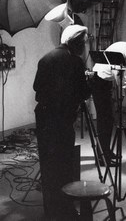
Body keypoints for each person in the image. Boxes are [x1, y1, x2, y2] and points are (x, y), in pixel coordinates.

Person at [33, 25, 91, 220]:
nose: (84, 46)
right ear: (77, 43)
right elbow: (84, 93)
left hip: (44, 118)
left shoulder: (46, 58)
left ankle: (50, 207)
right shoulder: (76, 62)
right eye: (83, 42)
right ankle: (66, 208)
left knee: (48, 161)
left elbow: (36, 88)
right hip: (63, 120)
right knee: (65, 162)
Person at [91, 41, 126, 165]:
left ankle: (106, 152)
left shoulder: (125, 45)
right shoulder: (118, 64)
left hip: (101, 79)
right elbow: (122, 83)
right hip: (99, 83)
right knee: (105, 122)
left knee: (108, 121)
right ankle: (102, 157)